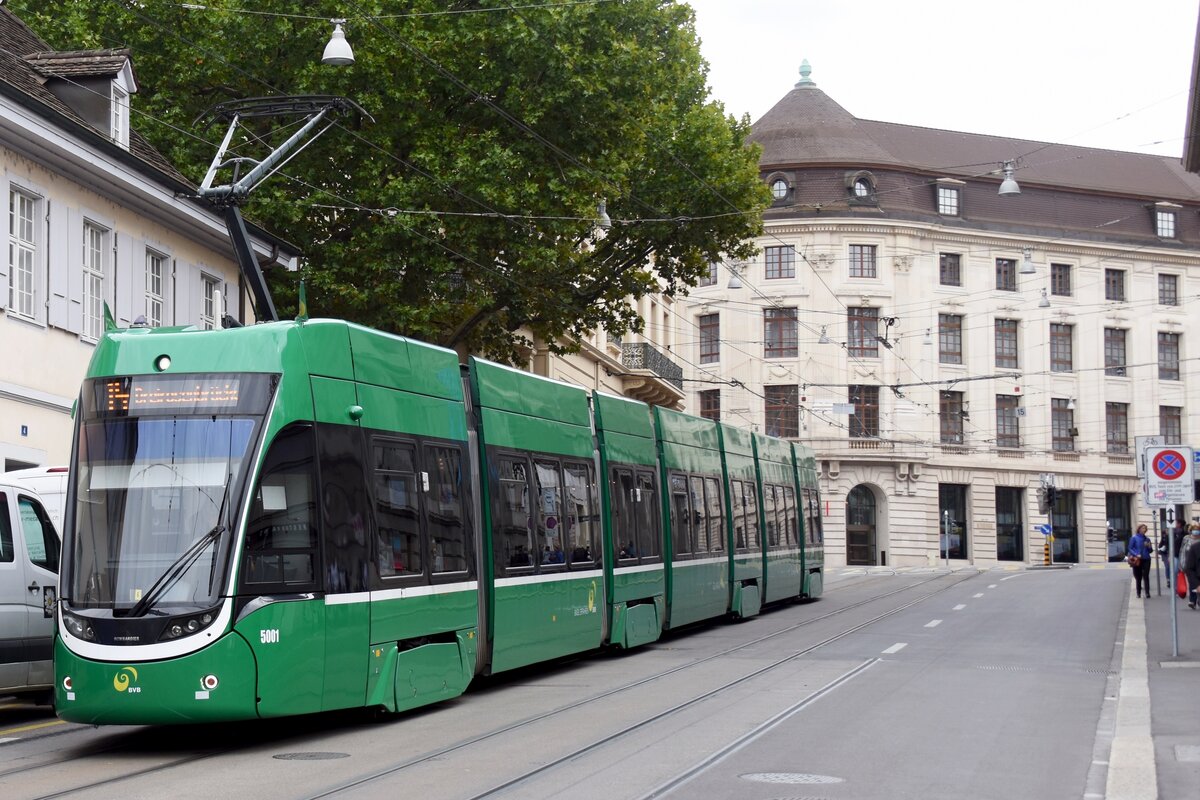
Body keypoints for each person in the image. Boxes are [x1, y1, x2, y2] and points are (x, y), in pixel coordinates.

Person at [1127, 524, 1153, 599]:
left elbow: (1150, 551)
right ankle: (1138, 593)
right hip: (1137, 559)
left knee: (1146, 576)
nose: (1144, 530)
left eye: (1145, 528)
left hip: (1146, 558)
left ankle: (1147, 593)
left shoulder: (1147, 539)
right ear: (1139, 529)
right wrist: (1136, 554)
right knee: (1138, 577)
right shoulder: (1134, 538)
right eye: (1142, 528)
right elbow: (1130, 548)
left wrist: (1149, 546)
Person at [1182, 524, 1200, 610]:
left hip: (1195, 564)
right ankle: (1192, 600)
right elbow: (1182, 551)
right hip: (1190, 563)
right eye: (1195, 530)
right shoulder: (1187, 539)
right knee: (1192, 582)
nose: (1196, 532)